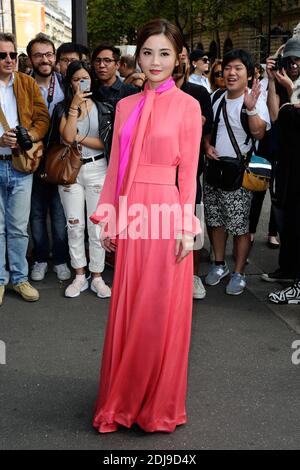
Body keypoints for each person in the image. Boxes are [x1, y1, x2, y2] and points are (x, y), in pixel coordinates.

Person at [90, 19, 202, 433]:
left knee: (159, 310)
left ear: (178, 58)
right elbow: (115, 166)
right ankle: (121, 398)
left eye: (165, 53)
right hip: (132, 208)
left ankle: (156, 404)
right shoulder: (124, 106)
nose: (155, 62)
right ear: (137, 56)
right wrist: (109, 215)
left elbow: (189, 173)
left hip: (166, 213)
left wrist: (188, 226)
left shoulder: (189, 106)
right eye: (148, 52)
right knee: (130, 305)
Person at [204, 49, 270, 296]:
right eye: (228, 68)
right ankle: (219, 264)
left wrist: (251, 108)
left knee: (240, 226)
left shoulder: (255, 99)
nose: (231, 73)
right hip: (214, 170)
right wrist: (207, 146)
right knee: (215, 221)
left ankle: (239, 272)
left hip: (239, 173)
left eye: (238, 68)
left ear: (250, 73)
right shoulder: (217, 96)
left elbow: (259, 134)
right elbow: (209, 129)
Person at [0, 33, 49, 306]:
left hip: (21, 164)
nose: (9, 60)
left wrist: (28, 135)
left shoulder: (27, 83)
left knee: (18, 227)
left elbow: (43, 118)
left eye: (12, 54)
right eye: (2, 55)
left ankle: (19, 278)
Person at [55, 61, 112, 298]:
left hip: (98, 168)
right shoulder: (62, 108)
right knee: (74, 224)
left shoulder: (103, 107)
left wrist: (79, 137)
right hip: (71, 171)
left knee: (97, 227)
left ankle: (97, 276)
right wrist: (74, 107)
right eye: (77, 79)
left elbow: (105, 143)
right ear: (70, 82)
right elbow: (67, 138)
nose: (81, 83)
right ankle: (80, 274)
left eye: (85, 78)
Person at [26, 33, 70, 282]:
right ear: (30, 59)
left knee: (60, 212)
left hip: (60, 158)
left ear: (54, 56)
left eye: (48, 54)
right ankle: (41, 258)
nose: (44, 59)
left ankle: (61, 259)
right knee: (36, 213)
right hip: (31, 157)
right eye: (38, 55)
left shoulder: (65, 82)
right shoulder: (22, 84)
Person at [175, 45, 213, 299]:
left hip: (190, 173)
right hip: (157, 178)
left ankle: (193, 276)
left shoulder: (198, 92)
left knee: (191, 225)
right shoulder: (147, 93)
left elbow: (207, 127)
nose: (177, 61)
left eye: (182, 57)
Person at [262, 37, 300, 282]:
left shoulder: (295, 87)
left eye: (299, 61)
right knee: (284, 213)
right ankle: (286, 269)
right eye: (291, 60)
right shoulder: (284, 83)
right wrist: (273, 82)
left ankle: (293, 273)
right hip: (285, 160)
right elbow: (275, 116)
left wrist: (291, 90)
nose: (295, 66)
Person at [91, 44, 139, 109]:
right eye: (98, 60)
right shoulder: (89, 91)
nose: (101, 65)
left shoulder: (130, 92)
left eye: (107, 61)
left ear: (117, 65)